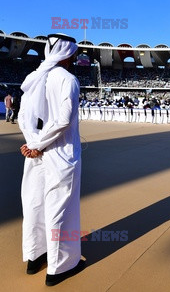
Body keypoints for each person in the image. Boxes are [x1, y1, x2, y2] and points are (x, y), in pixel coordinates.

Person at [18, 33, 85, 286]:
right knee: (60, 209)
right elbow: (63, 120)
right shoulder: (68, 79)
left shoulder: (35, 77)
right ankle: (60, 267)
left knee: (34, 204)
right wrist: (39, 144)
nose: (76, 57)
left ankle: (35, 257)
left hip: (35, 153)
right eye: (75, 53)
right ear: (67, 53)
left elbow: (24, 117)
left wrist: (33, 143)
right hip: (60, 153)